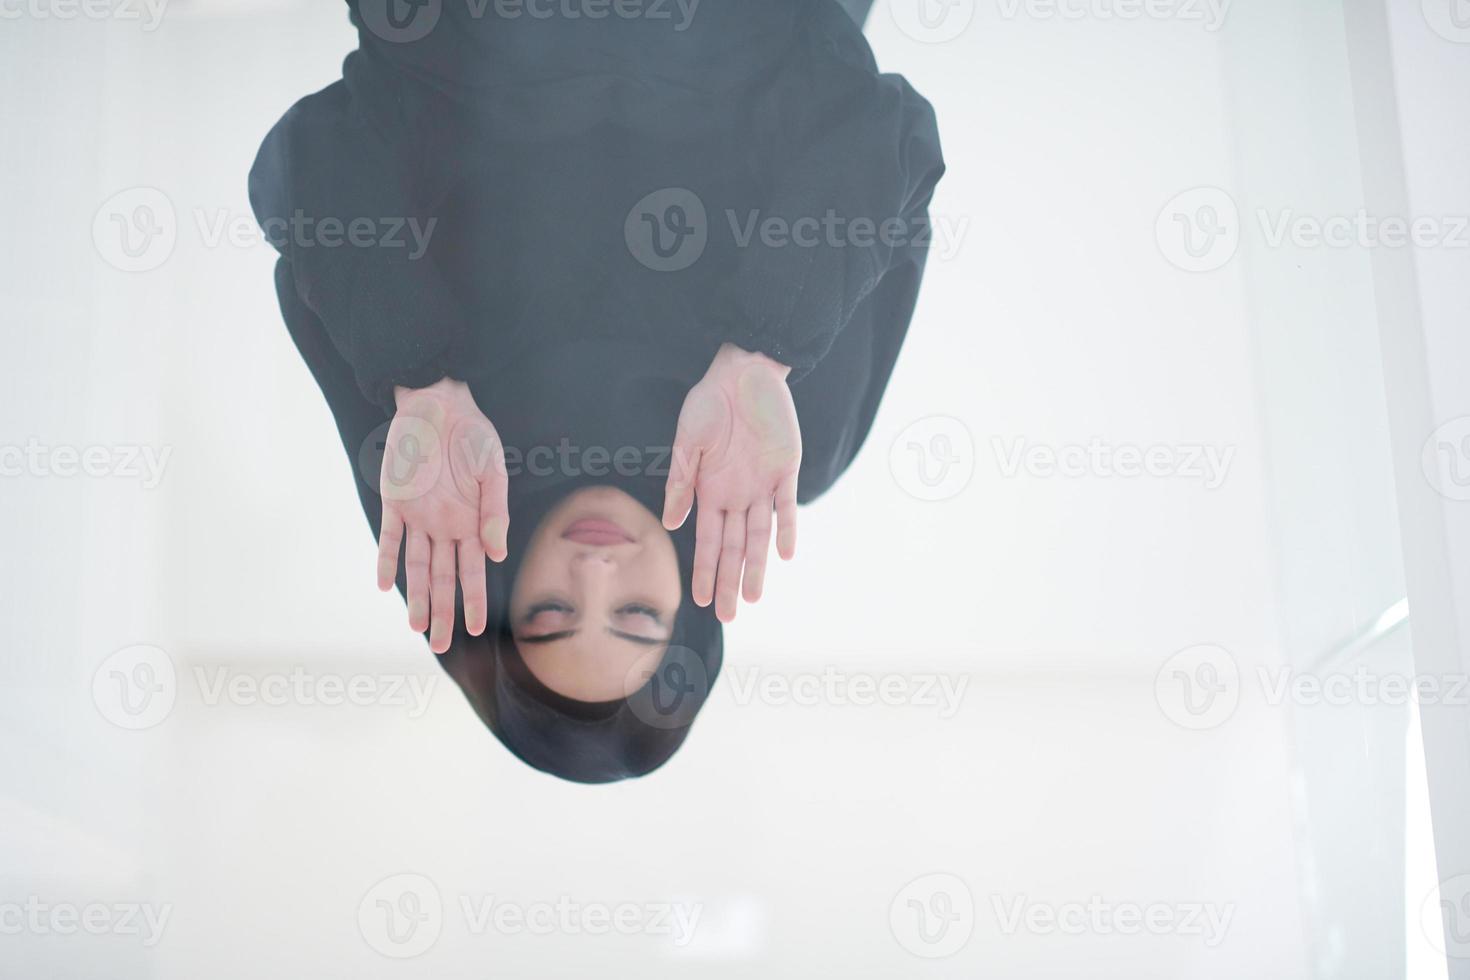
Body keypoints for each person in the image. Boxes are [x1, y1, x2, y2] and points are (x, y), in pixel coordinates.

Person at [249, 0, 944, 781]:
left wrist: (417, 372)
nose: (595, 575)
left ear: (499, 597)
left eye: (550, 615)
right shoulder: (786, 454)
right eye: (638, 618)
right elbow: (889, 132)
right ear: (690, 618)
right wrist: (766, 347)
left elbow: (309, 158)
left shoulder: (433, 446)